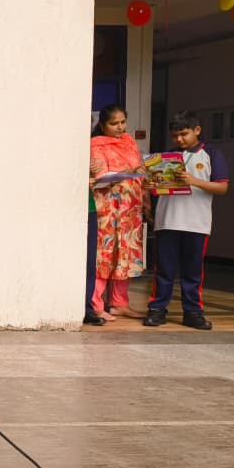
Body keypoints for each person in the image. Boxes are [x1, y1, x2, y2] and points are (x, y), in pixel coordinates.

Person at [143, 110, 230, 330]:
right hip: (167, 221)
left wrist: (193, 180)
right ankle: (157, 309)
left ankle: (193, 313)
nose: (179, 139)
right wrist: (151, 186)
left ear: (197, 130)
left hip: (196, 223)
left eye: (184, 134)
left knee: (193, 271)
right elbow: (158, 190)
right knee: (163, 270)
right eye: (175, 135)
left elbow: (222, 187)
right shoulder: (166, 157)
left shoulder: (211, 154)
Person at [89, 104, 147, 320]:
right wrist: (128, 171)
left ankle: (119, 303)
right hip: (108, 209)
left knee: (125, 254)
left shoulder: (129, 142)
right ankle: (96, 304)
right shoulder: (96, 145)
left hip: (131, 209)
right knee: (105, 254)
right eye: (114, 123)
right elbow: (100, 177)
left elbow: (140, 169)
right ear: (103, 124)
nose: (120, 127)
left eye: (123, 122)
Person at [83, 153, 106, 326]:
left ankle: (86, 309)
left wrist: (92, 175)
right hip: (64, 207)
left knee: (89, 262)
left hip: (89, 207)